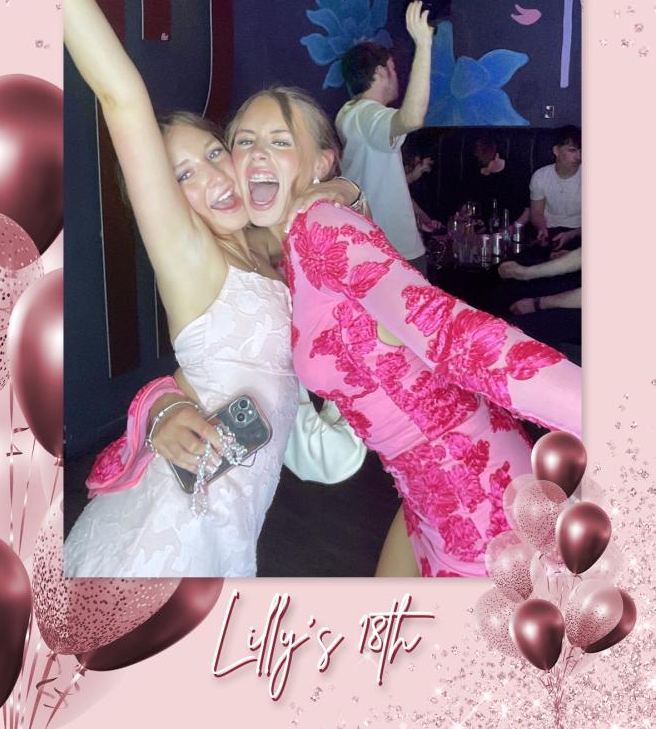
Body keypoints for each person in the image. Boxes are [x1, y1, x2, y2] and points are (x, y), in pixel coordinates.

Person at [62, 0, 361, 578]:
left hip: (229, 528)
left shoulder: (268, 254)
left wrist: (338, 189)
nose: (215, 177)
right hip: (169, 532)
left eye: (215, 153)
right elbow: (121, 96)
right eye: (182, 176)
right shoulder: (190, 257)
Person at [226, 87, 582, 578]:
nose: (258, 153)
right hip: (426, 497)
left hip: (481, 507)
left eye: (280, 141)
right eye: (244, 141)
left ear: (321, 163)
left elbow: (449, 331)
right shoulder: (286, 247)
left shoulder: (319, 224)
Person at [335, 2, 434, 275]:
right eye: (394, 69)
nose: (396, 77)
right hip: (393, 252)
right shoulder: (366, 113)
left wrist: (417, 214)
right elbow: (412, 119)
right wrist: (424, 45)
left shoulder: (350, 113)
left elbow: (381, 181)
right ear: (380, 72)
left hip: (372, 246)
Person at [529, 126, 582, 249]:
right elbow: (536, 212)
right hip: (551, 231)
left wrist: (572, 234)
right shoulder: (540, 176)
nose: (578, 156)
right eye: (572, 151)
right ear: (556, 151)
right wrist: (541, 228)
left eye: (581, 150)